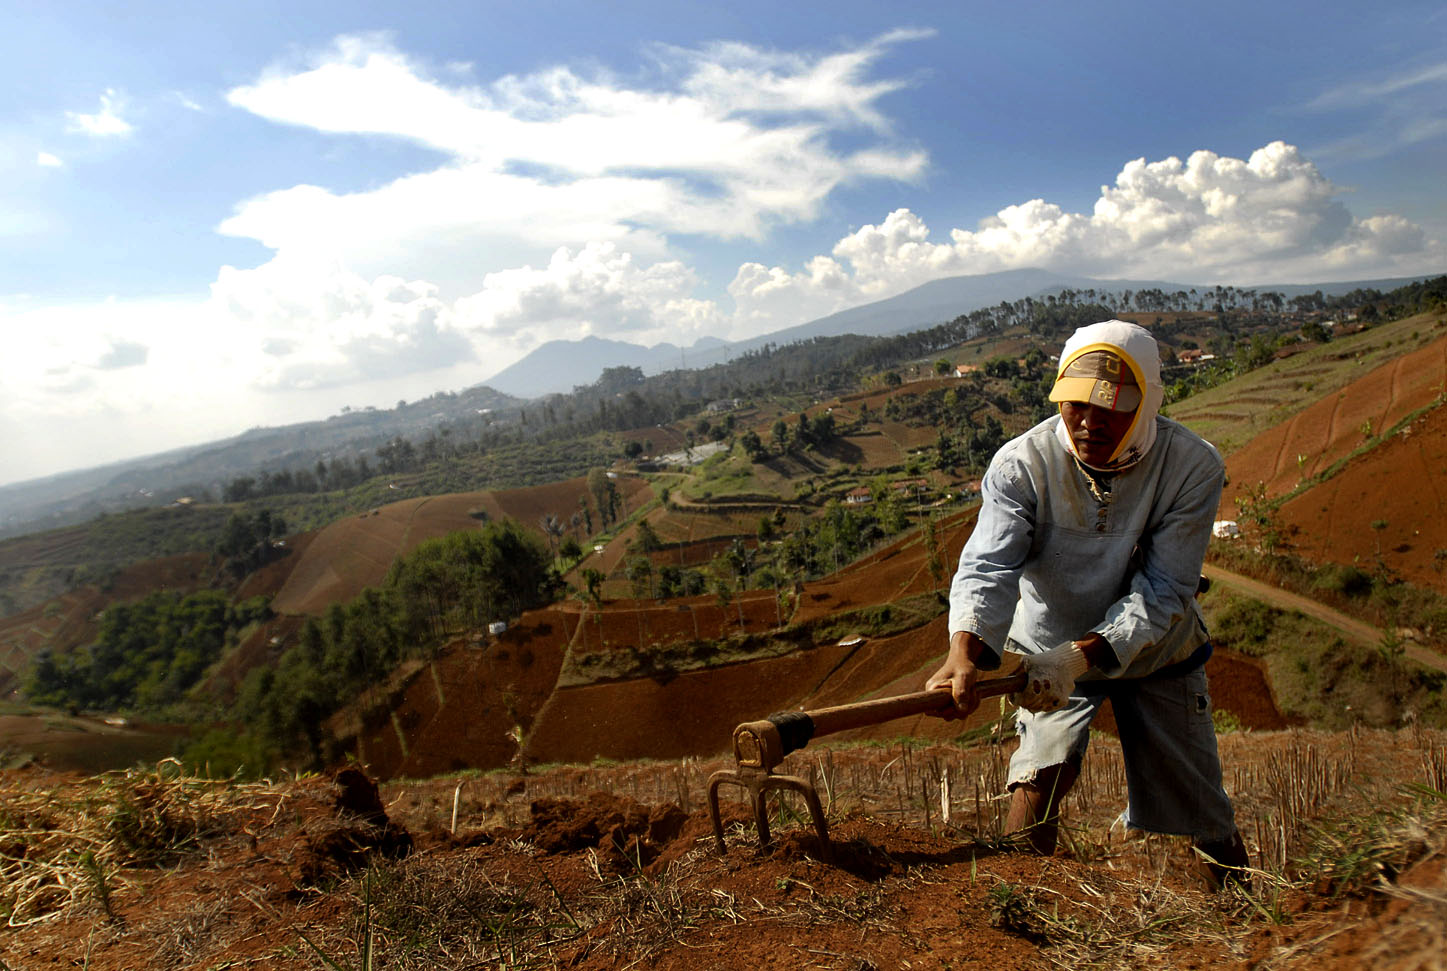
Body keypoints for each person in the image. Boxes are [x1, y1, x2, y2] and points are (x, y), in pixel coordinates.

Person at [926, 319, 1249, 889]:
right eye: (1075, 404)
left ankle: (1246, 915)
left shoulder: (1192, 467)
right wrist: (964, 653)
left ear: (1147, 401)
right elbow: (989, 565)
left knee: (1199, 801)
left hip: (1158, 652)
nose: (1090, 421)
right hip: (1047, 642)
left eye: (1112, 407)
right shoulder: (1021, 463)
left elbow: (1166, 590)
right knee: (1037, 776)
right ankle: (1017, 906)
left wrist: (1077, 659)